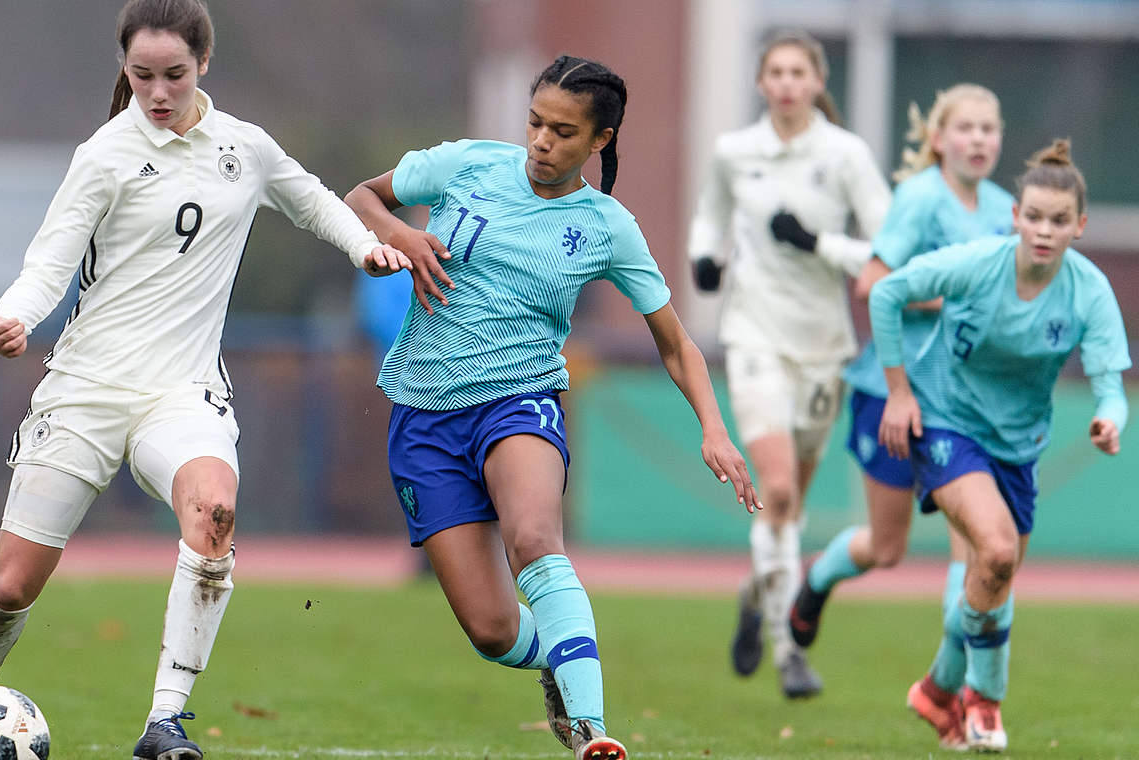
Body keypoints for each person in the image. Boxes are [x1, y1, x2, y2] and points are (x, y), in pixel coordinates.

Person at [0, 2, 417, 759]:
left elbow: (316, 204)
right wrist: (13, 318)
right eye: (141, 76)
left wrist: (366, 248)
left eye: (173, 74)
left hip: (183, 391)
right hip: (86, 391)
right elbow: (48, 263)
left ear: (204, 63)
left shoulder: (246, 148)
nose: (157, 91)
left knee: (215, 519)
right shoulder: (103, 154)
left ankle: (164, 723)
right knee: (9, 590)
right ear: (124, 71)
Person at [344, 55, 760, 760]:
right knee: (492, 631)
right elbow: (360, 197)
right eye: (535, 123)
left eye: (563, 132)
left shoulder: (607, 226)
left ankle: (591, 730)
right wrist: (402, 235)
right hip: (423, 413)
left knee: (535, 541)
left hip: (521, 399)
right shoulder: (468, 164)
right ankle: (551, 658)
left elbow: (676, 342)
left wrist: (713, 429)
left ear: (598, 141)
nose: (541, 141)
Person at [872, 139, 1129, 752]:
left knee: (994, 576)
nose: (1044, 230)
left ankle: (937, 690)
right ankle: (984, 703)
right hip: (946, 424)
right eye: (1034, 216)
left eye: (1059, 221)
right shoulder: (975, 263)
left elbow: (1111, 387)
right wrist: (899, 393)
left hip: (1019, 447)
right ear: (1015, 217)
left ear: (1080, 227)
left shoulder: (1088, 292)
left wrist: (1108, 419)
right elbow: (886, 293)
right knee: (994, 547)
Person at [686, 30, 889, 698]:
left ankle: (755, 592)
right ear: (760, 81)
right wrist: (705, 261)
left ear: (817, 79)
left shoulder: (846, 155)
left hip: (824, 344)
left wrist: (817, 242)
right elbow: (708, 219)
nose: (787, 83)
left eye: (799, 71)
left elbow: (888, 251)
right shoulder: (734, 153)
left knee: (788, 505)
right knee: (775, 492)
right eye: (775, 71)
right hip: (753, 335)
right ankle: (788, 651)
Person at [789, 85, 1014, 662]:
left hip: (961, 403)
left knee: (973, 545)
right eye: (966, 128)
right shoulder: (918, 198)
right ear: (939, 140)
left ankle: (955, 683)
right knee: (887, 548)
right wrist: (946, 301)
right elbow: (873, 283)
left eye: (989, 129)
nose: (979, 139)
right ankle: (816, 581)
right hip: (892, 393)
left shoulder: (1000, 211)